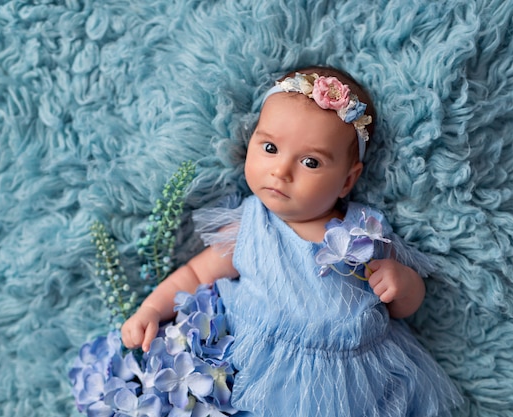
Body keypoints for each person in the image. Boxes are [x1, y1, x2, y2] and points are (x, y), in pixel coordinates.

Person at [121, 66, 462, 416]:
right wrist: (150, 309)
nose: (281, 171)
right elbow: (193, 277)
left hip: (351, 381)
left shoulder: (364, 231)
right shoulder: (249, 226)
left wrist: (401, 283)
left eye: (310, 162)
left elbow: (401, 307)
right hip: (260, 374)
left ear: (348, 180)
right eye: (270, 147)